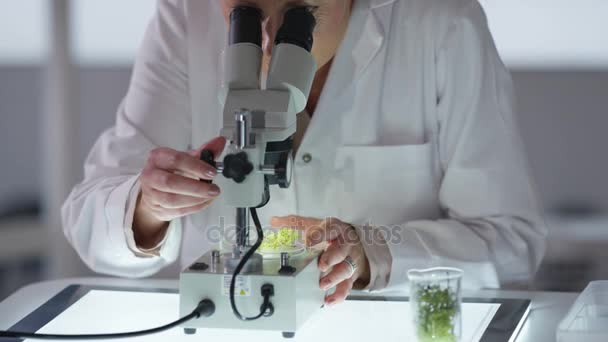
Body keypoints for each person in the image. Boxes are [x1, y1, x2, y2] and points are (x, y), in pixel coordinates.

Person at [62, 0, 547, 306]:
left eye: (299, 14)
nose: (267, 37)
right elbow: (88, 218)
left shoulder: (441, 22)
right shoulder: (184, 17)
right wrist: (149, 207)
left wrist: (373, 251)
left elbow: (511, 242)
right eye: (244, 15)